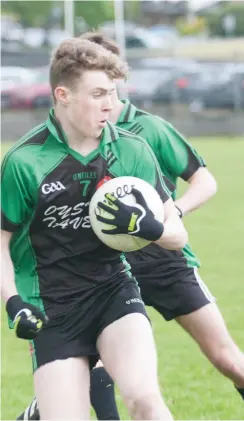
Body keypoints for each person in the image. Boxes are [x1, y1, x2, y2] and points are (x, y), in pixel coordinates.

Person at [17, 32, 244, 421]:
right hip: (98, 268)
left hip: (162, 259)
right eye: (97, 88)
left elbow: (206, 182)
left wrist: (163, 218)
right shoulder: (53, 147)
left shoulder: (147, 131)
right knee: (98, 373)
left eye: (111, 83)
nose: (107, 96)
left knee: (226, 357)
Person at [3, 37, 189, 420]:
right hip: (52, 308)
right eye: (98, 94)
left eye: (113, 93)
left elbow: (177, 235)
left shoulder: (131, 150)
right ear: (63, 95)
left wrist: (148, 226)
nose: (110, 104)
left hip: (113, 291)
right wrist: (12, 301)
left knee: (144, 397)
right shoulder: (24, 162)